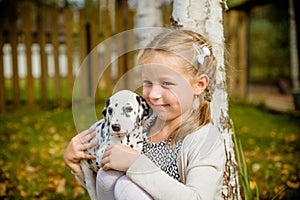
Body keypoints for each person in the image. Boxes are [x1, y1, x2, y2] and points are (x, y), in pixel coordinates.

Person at [64, 28, 226, 200]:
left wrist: (135, 164)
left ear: (199, 84)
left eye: (166, 83)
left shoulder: (205, 140)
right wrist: (78, 164)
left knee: (126, 185)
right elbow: (105, 188)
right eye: (147, 82)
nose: (154, 94)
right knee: (108, 176)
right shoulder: (141, 126)